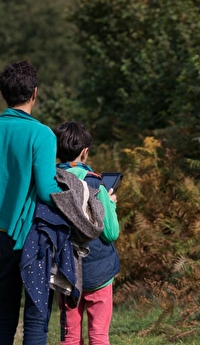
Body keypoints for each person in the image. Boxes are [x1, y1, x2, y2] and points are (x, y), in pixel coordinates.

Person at [0, 60, 63, 345]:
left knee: (4, 316)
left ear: (3, 94)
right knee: (36, 320)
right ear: (35, 92)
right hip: (33, 239)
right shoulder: (42, 134)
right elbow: (48, 192)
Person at [53, 121, 121, 345]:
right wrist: (110, 204)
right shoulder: (96, 185)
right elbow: (111, 232)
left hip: (67, 272)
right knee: (99, 335)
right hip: (98, 273)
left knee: (70, 337)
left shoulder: (52, 184)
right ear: (85, 151)